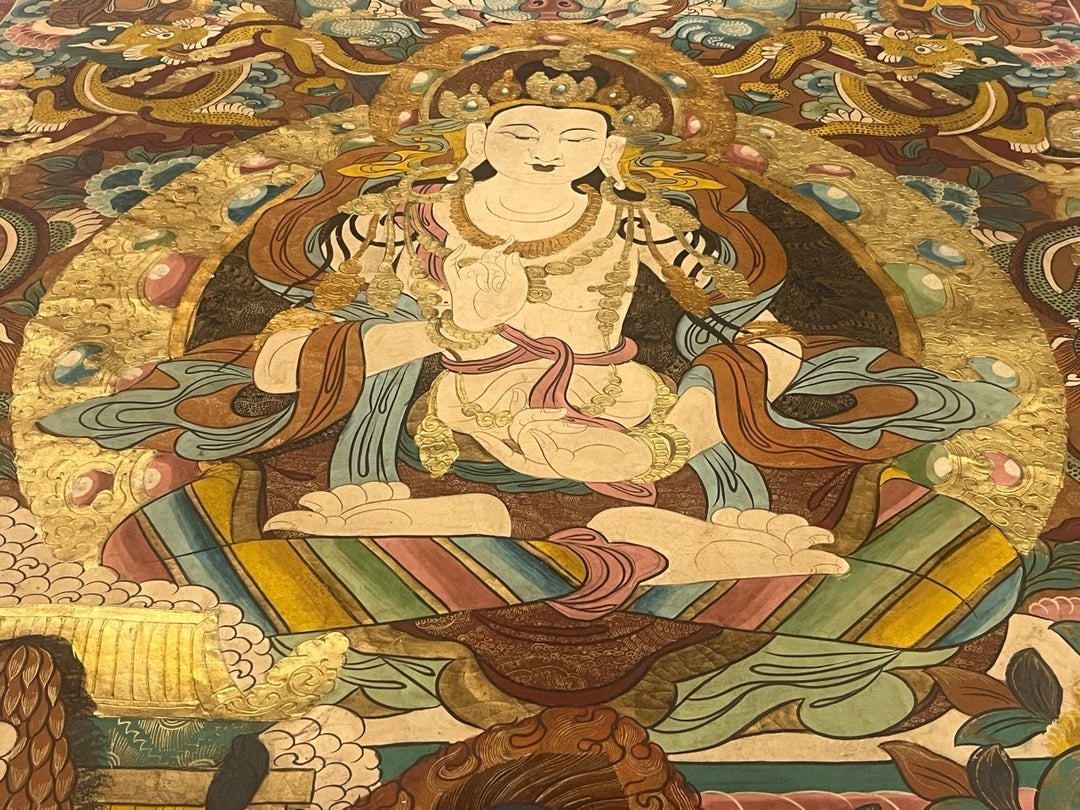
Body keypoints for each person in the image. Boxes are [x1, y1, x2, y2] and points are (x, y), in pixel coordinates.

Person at [37, 26, 1024, 740]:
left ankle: (523, 543)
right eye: (521, 133)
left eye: (576, 139)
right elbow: (302, 339)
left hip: (624, 433)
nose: (549, 153)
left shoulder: (644, 222)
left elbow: (752, 333)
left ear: (614, 152)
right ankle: (645, 558)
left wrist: (676, 427)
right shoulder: (405, 220)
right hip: (437, 436)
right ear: (473, 141)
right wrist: (434, 331)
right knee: (150, 554)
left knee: (963, 562)